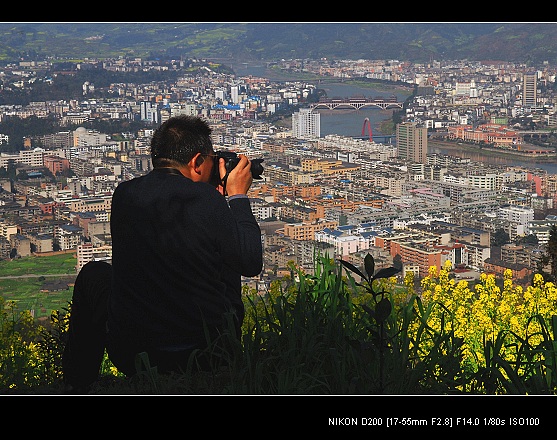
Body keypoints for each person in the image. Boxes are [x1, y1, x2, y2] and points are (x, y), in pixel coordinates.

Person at [62, 115, 263, 393]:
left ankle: (77, 382)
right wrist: (237, 197)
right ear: (196, 162)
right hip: (205, 354)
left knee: (94, 274)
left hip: (132, 354)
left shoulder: (124, 195)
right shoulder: (208, 201)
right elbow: (251, 261)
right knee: (227, 253)